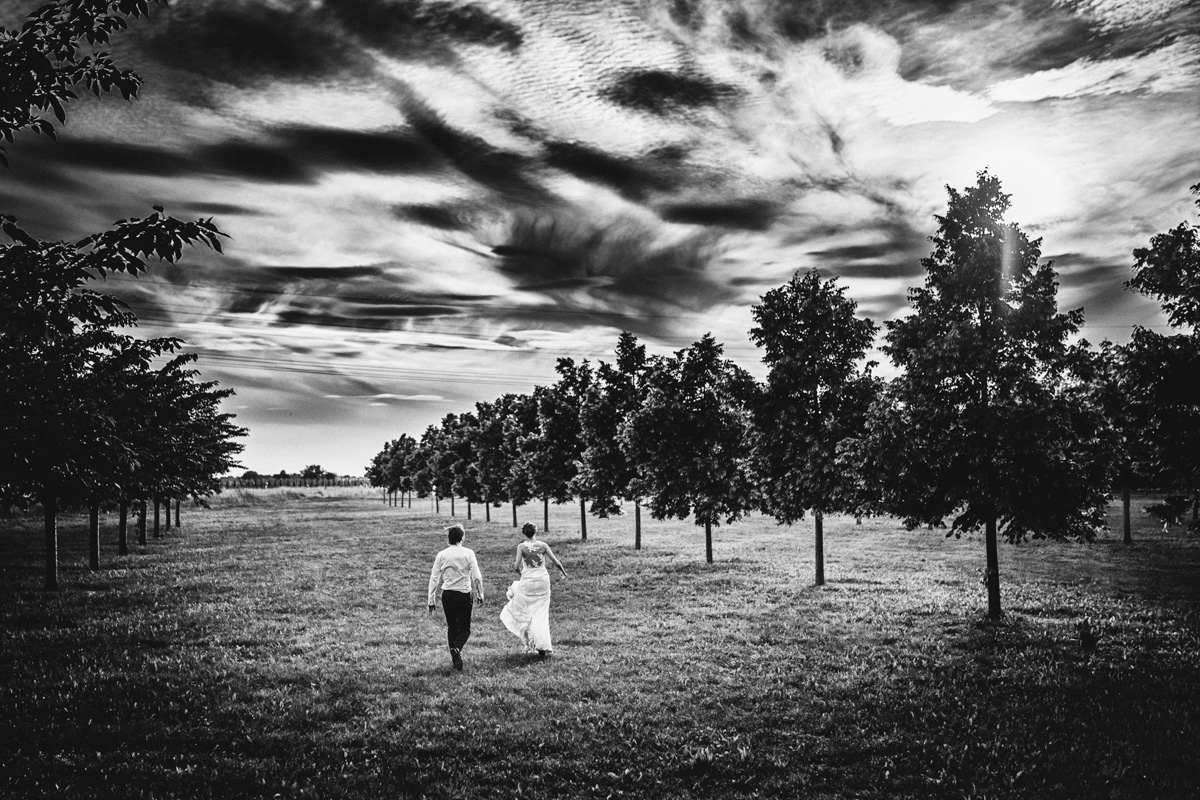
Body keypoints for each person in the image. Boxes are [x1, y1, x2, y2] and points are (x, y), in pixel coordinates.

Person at [500, 522, 567, 658]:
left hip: (528, 581)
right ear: (536, 532)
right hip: (542, 581)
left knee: (529, 612)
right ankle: (543, 646)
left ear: (524, 533)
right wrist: (563, 572)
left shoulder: (521, 547)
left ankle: (533, 642)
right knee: (541, 614)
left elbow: (515, 566)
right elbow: (556, 562)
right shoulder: (543, 546)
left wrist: (523, 575)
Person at [427, 524, 484, 671]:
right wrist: (480, 592)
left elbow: (434, 578)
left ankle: (455, 656)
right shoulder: (468, 553)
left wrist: (431, 600)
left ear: (449, 538)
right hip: (464, 594)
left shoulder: (442, 555)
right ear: (462, 537)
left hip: (448, 595)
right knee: (465, 629)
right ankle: (457, 648)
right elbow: (476, 575)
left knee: (452, 626)